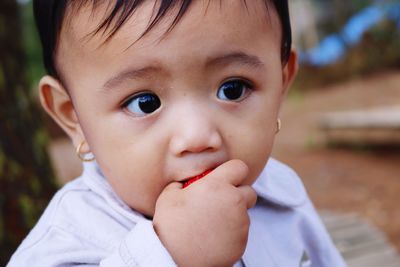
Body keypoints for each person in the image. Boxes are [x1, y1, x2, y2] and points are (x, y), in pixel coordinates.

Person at [8, 0, 346, 266]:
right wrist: (167, 255)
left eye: (233, 89)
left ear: (281, 84)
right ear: (73, 116)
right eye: (144, 103)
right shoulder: (67, 244)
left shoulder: (282, 195)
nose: (197, 137)